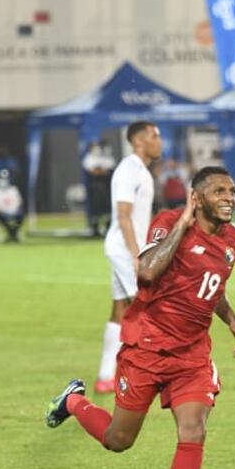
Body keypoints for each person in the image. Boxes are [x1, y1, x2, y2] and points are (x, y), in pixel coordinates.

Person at [45, 166, 235, 469]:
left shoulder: (233, 241)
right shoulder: (169, 222)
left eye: (232, 190)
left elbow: (211, 288)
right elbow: (148, 271)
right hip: (147, 347)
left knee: (194, 429)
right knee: (118, 440)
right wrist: (184, 223)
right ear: (197, 197)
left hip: (191, 354)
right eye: (219, 191)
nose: (229, 197)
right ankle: (73, 401)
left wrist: (233, 322)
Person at [94, 121, 163, 394]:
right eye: (154, 136)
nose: (159, 140)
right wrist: (137, 255)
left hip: (126, 248)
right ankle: (155, 373)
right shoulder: (128, 169)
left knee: (120, 310)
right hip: (125, 249)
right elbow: (123, 215)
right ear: (138, 142)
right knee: (149, 309)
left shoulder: (142, 171)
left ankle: (105, 376)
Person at [82, 140, 116, 237]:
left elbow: (109, 170)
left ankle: (108, 228)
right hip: (94, 189)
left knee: (107, 209)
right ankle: (94, 229)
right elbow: (94, 171)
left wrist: (101, 170)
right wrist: (102, 171)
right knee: (95, 209)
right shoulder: (89, 158)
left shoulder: (107, 158)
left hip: (106, 188)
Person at [0, 169, 24, 243]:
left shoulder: (13, 189)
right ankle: (13, 234)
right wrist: (3, 212)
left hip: (14, 212)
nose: (3, 181)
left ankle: (12, 234)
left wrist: (16, 211)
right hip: (1, 214)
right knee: (1, 217)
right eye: (2, 178)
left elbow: (20, 203)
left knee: (21, 215)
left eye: (5, 179)